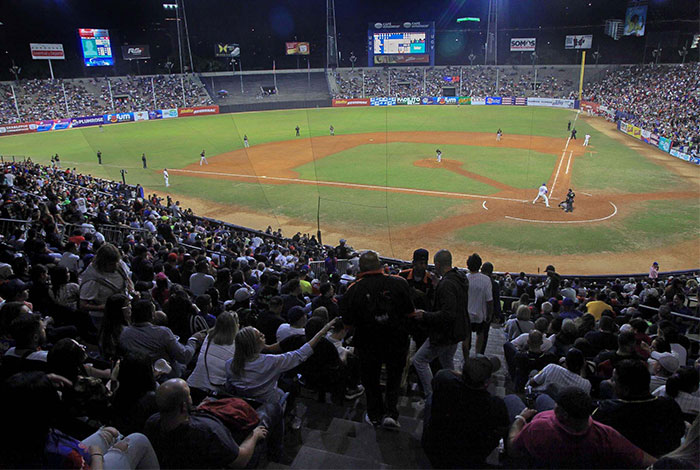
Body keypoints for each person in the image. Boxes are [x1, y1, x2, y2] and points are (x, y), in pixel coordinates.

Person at [1, 371, 160, 470]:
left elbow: (19, 398)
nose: (59, 393)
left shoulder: (21, 429)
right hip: (87, 462)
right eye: (53, 393)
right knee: (139, 440)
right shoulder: (62, 455)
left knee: (110, 432)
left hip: (70, 454)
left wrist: (40, 381)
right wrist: (99, 453)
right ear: (45, 411)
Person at [340, 250, 415, 429]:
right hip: (396, 342)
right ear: (381, 265)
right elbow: (411, 314)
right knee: (394, 379)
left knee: (370, 381)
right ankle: (391, 413)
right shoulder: (399, 283)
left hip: (367, 345)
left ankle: (375, 415)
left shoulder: (353, 289)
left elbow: (347, 325)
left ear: (360, 268)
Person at [507, 386, 655, 469]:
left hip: (536, 446)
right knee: (542, 399)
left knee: (512, 399)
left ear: (562, 414)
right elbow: (645, 459)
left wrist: (520, 419)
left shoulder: (538, 429)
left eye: (556, 407)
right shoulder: (606, 435)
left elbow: (513, 448)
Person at [144, 378, 270, 468]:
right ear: (183, 406)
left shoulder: (151, 423)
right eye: (189, 395)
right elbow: (240, 461)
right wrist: (254, 436)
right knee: (269, 411)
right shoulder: (206, 431)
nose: (191, 398)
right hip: (230, 459)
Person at [422, 355, 508, 469]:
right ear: (487, 381)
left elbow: (445, 373)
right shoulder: (496, 404)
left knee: (431, 398)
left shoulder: (444, 381)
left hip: (436, 445)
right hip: (471, 455)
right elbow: (501, 429)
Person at [225, 318, 336, 405]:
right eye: (260, 336)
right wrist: (324, 330)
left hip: (246, 403)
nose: (263, 335)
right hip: (269, 404)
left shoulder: (229, 364)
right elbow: (301, 354)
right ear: (254, 345)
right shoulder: (270, 361)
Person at [593, 359, 686, 457]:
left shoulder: (606, 411)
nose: (611, 383)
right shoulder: (670, 406)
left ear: (625, 389)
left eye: (614, 380)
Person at [412, 249, 469, 399]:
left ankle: (432, 396)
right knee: (447, 362)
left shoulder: (447, 284)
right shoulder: (458, 278)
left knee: (419, 360)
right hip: (456, 332)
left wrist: (425, 315)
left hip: (444, 334)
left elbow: (448, 314)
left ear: (437, 264)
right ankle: (456, 390)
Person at [119, 299, 204, 378]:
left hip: (136, 375)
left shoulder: (124, 333)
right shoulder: (162, 332)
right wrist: (193, 340)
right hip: (165, 376)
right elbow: (184, 356)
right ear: (152, 315)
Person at [79, 243, 135, 328]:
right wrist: (103, 307)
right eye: (111, 264)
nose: (116, 266)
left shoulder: (118, 264)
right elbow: (83, 305)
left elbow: (126, 277)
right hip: (103, 317)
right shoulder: (92, 279)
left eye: (116, 263)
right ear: (102, 263)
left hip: (122, 310)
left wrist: (131, 289)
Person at [187, 311, 239, 398]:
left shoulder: (209, 337)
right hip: (214, 391)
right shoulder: (237, 344)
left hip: (193, 383)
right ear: (235, 326)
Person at [466, 253, 493, 354]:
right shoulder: (486, 280)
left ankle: (466, 358)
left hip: (466, 314)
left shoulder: (465, 278)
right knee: (480, 334)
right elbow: (489, 300)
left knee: (466, 336)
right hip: (480, 314)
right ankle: (477, 356)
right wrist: (490, 314)